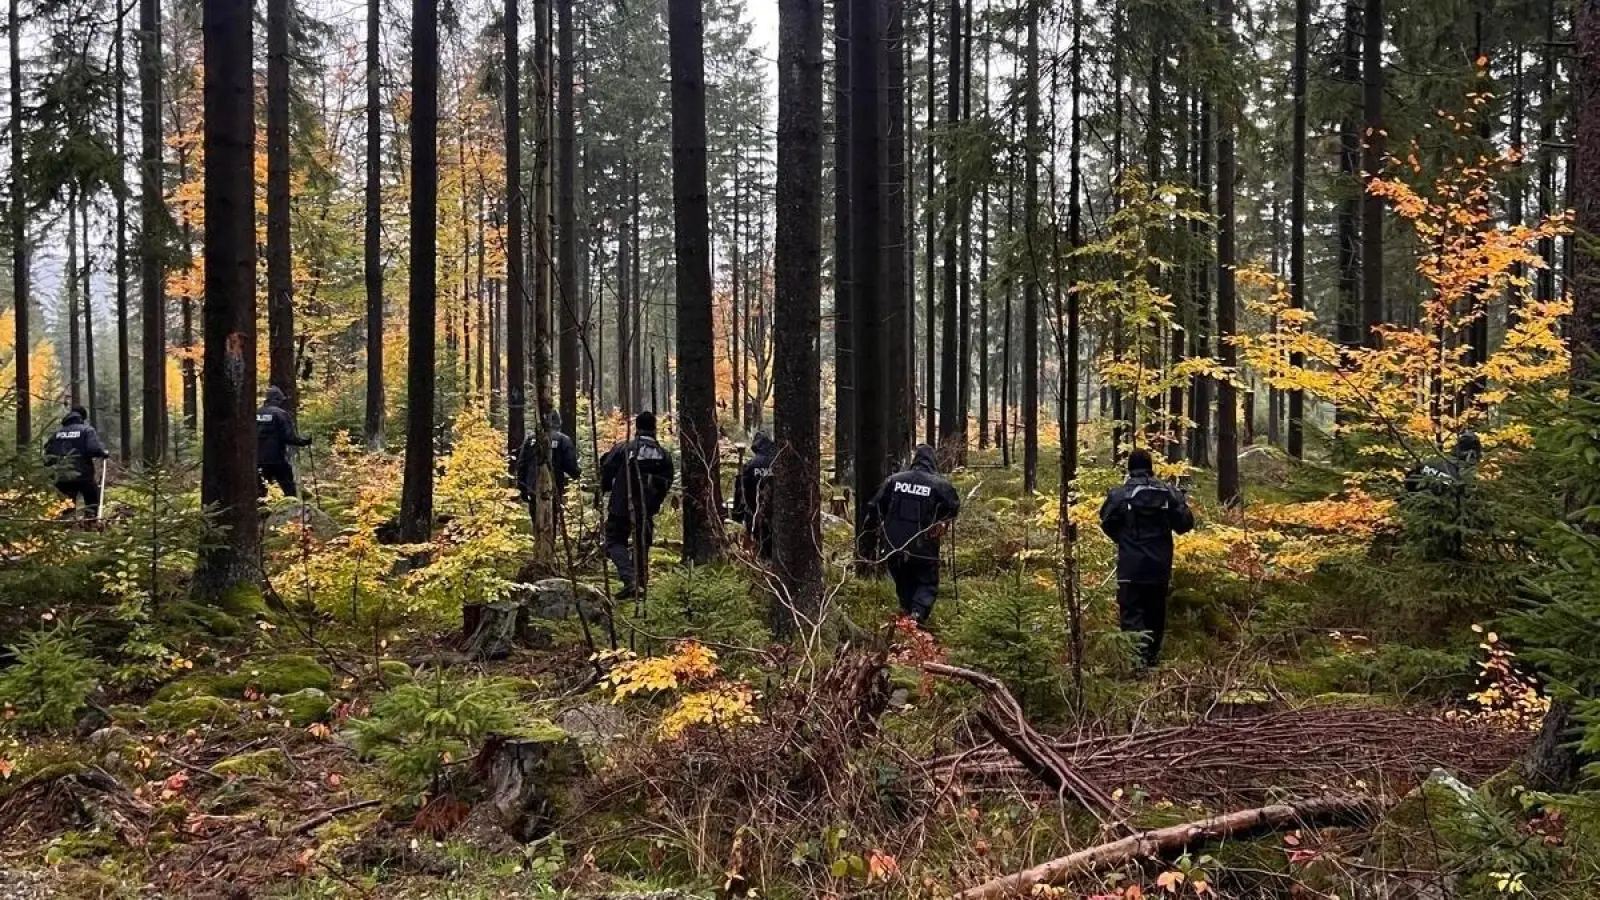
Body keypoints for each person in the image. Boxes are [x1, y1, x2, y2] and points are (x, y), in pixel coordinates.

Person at [1098, 449, 1196, 669]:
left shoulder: (1119, 495)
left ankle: (1136, 665)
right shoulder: (1168, 493)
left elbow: (1106, 522)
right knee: (1155, 614)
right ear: (1151, 467)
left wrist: (1124, 539)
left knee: (1132, 613)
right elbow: (1186, 524)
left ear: (1129, 468)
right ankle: (1150, 661)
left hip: (1130, 567)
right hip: (1159, 567)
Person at [866, 444, 962, 624]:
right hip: (923, 544)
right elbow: (953, 506)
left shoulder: (893, 481)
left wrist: (872, 529)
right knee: (927, 582)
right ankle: (916, 617)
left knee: (903, 581)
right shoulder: (940, 485)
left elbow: (875, 506)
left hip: (894, 545)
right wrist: (942, 522)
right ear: (933, 462)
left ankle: (908, 618)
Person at [599, 411, 676, 600]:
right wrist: (655, 502)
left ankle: (630, 580)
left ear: (637, 428)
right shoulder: (663, 454)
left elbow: (606, 468)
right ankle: (641, 584)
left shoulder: (625, 448)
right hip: (646, 507)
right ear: (654, 429)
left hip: (621, 504)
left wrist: (604, 489)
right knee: (643, 543)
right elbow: (668, 480)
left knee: (614, 541)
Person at [1402, 431, 1482, 558]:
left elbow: (1409, 482)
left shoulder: (1433, 461)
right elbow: (1466, 506)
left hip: (1417, 523)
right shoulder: (1460, 475)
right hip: (1445, 531)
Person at [517, 411, 583, 527]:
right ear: (558, 423)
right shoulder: (563, 440)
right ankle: (548, 543)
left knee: (537, 523)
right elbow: (571, 465)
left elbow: (521, 465)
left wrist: (522, 489)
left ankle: (539, 543)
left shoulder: (531, 439)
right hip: (553, 489)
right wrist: (577, 474)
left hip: (533, 489)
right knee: (549, 523)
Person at [43, 406, 109, 518]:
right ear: (82, 417)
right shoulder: (87, 430)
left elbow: (48, 455)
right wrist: (103, 453)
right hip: (83, 475)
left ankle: (66, 527)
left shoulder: (57, 433)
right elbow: (93, 449)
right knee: (91, 500)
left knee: (66, 504)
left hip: (61, 476)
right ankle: (90, 522)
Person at [256, 385, 312, 498]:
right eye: (281, 400)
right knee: (289, 489)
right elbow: (289, 437)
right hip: (277, 460)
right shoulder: (281, 414)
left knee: (260, 491)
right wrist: (304, 442)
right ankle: (293, 511)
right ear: (277, 399)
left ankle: (261, 514)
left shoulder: (256, 413)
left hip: (258, 460)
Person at [732, 431, 777, 560]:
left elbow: (740, 489)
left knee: (761, 539)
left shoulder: (750, 465)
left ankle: (764, 561)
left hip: (754, 511)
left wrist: (738, 513)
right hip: (778, 512)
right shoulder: (781, 462)